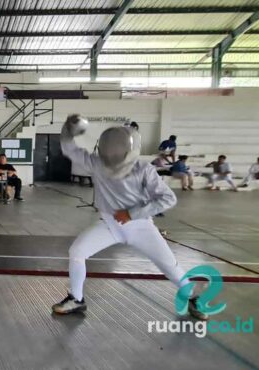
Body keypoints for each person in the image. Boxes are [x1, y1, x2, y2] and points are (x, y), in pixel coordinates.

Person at [51, 114, 207, 320]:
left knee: (168, 264)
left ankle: (191, 297)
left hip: (140, 226)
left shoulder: (144, 169)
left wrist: (132, 213)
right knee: (77, 251)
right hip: (108, 224)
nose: (113, 157)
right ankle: (77, 299)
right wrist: (68, 129)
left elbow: (167, 198)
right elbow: (69, 148)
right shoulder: (97, 163)